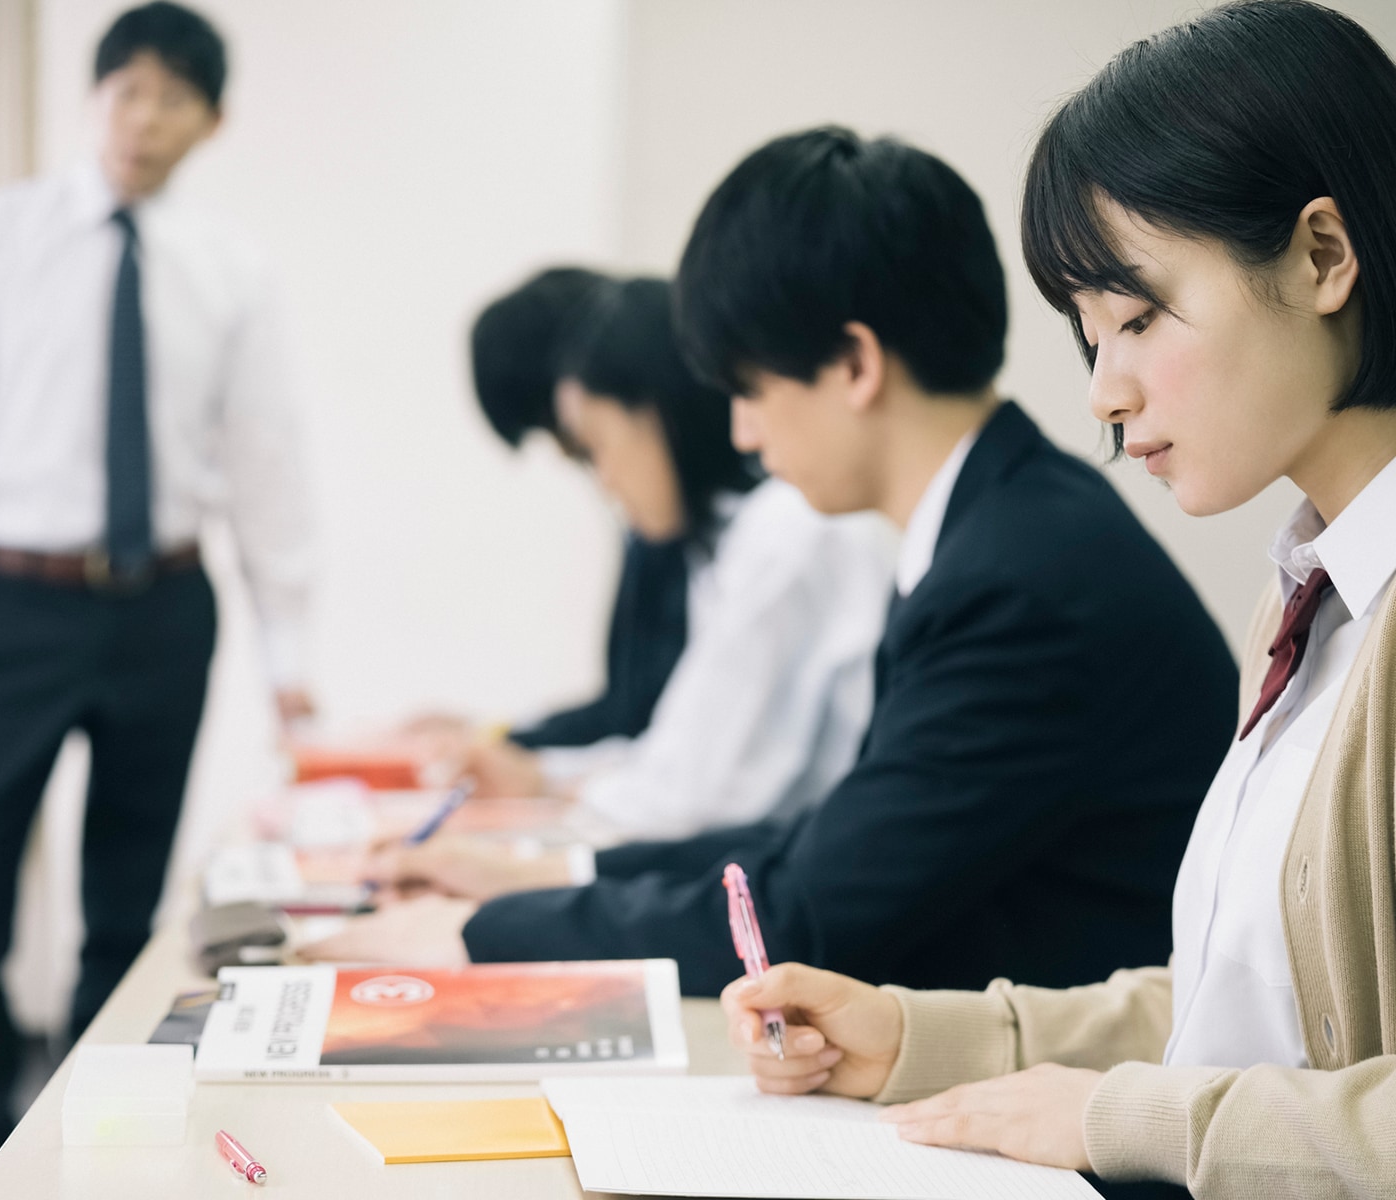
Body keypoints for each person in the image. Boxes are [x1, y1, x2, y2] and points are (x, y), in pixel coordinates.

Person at [301, 129, 1239, 1001]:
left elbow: (801, 914)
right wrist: (538, 878)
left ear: (854, 365)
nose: (743, 432)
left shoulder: (1018, 581)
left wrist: (479, 935)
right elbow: (822, 847)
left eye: (749, 391)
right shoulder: (1005, 526)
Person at [721, 4, 1396, 1197]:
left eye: (1137, 318)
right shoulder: (1308, 601)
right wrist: (915, 1038)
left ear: (1323, 256)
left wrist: (1115, 1118)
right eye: (1088, 337)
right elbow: (1246, 1010)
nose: (1105, 392)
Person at [0, 3, 313, 1189]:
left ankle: (82, 1139)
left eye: (173, 98)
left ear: (209, 123)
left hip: (167, 608)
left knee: (126, 911)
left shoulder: (228, 271)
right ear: (94, 96)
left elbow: (267, 467)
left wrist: (291, 660)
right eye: (127, 90)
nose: (144, 116)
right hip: (18, 604)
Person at [452, 276, 896, 838]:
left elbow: (691, 797)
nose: (604, 481)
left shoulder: (782, 534)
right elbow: (674, 753)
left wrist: (535, 807)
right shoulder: (727, 545)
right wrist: (538, 773)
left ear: (659, 410)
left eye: (596, 449)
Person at [409, 266, 694, 758]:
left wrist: (508, 746)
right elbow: (627, 707)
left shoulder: (754, 532)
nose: (573, 457)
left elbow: (643, 723)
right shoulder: (654, 524)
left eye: (580, 436)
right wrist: (496, 737)